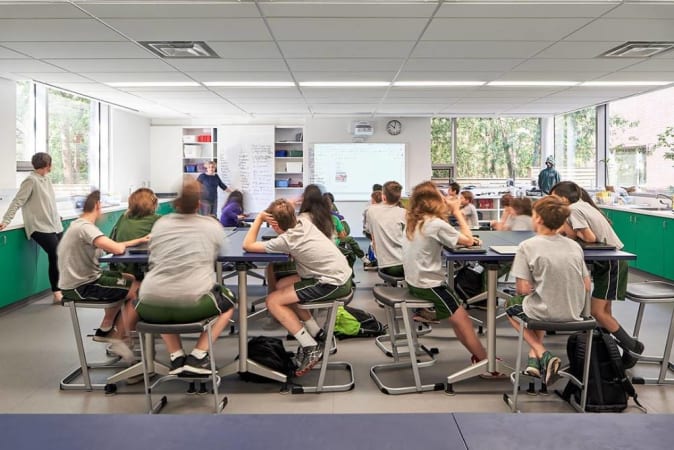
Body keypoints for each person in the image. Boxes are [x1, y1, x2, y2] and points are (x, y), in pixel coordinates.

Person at [132, 177, 237, 376]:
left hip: (150, 304)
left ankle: (176, 356)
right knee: (228, 302)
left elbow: (152, 252)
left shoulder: (160, 224)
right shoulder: (211, 226)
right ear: (200, 203)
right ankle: (198, 355)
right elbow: (223, 253)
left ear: (175, 203)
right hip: (192, 304)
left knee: (161, 295)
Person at [243, 199, 353, 377]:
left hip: (332, 283)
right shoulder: (304, 221)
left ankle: (310, 347)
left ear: (275, 225)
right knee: (282, 286)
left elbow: (247, 245)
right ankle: (317, 333)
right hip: (339, 274)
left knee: (273, 301)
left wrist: (259, 218)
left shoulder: (287, 239)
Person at [402, 181, 493, 373]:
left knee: (458, 321)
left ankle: (480, 358)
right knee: (463, 322)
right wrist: (457, 211)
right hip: (431, 285)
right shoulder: (435, 224)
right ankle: (488, 364)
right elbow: (468, 239)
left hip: (415, 281)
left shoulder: (415, 222)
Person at [551, 181, 643, 368]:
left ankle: (633, 347)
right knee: (605, 312)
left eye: (553, 197)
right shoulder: (580, 206)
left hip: (611, 263)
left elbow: (589, 237)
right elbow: (571, 233)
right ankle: (611, 353)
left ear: (563, 198)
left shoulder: (574, 210)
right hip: (610, 262)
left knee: (597, 312)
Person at [505, 195, 591, 384]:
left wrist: (539, 284)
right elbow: (586, 285)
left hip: (544, 313)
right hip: (574, 313)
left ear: (538, 219)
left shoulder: (527, 246)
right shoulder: (575, 246)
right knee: (541, 300)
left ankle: (543, 353)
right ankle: (533, 362)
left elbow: (522, 289)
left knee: (512, 306)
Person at [57, 190, 149, 361]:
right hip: (82, 286)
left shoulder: (79, 225)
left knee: (128, 278)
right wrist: (126, 245)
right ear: (97, 206)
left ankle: (106, 327)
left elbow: (112, 245)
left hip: (83, 280)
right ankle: (118, 337)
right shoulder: (86, 228)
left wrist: (140, 240)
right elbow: (116, 249)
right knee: (139, 291)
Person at [0, 152, 64, 304]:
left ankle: (61, 288)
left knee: (61, 254)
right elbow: (17, 201)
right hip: (39, 226)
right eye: (50, 164)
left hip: (54, 224)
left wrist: (57, 215)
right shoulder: (30, 180)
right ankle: (56, 292)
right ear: (47, 165)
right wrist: (6, 220)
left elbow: (50, 202)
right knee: (55, 254)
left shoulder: (46, 179)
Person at [109, 188, 161, 281]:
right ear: (154, 204)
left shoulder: (123, 217)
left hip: (119, 269)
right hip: (142, 271)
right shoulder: (157, 220)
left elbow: (111, 241)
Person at [365, 180, 405, 278]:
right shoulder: (404, 213)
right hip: (403, 264)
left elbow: (371, 233)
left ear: (383, 196)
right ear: (399, 197)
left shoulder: (371, 211)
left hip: (384, 264)